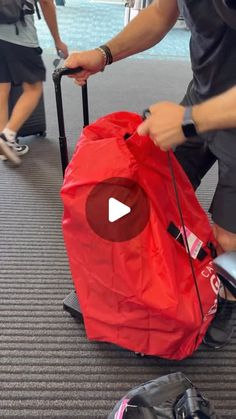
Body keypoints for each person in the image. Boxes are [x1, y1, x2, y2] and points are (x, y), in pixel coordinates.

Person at [63, 0, 236, 349]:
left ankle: (228, 298)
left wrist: (189, 120)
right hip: (203, 95)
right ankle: (153, 279)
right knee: (153, 191)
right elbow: (161, 12)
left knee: (228, 236)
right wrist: (104, 53)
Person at [0, 0, 68, 165]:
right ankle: (7, 137)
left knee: (2, 87)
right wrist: (57, 40)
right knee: (33, 88)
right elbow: (46, 2)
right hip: (20, 38)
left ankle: (3, 143)